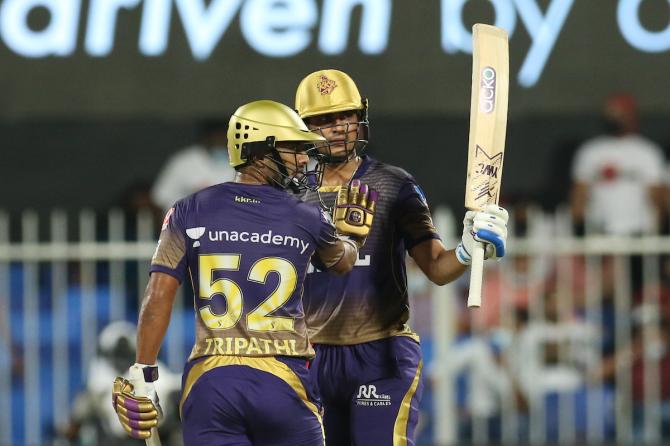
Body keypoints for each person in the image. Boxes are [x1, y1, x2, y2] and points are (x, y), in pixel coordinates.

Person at [111, 100, 378, 445]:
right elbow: (342, 263)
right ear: (258, 150)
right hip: (283, 382)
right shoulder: (306, 216)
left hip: (211, 382)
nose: (302, 160)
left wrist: (143, 374)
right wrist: (352, 235)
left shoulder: (188, 210)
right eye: (293, 149)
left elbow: (158, 294)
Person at [294, 69, 509, 445]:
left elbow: (438, 269)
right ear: (303, 128)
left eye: (345, 115)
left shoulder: (393, 184)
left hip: (382, 355)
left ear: (360, 116)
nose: (338, 127)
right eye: (324, 120)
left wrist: (468, 248)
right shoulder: (288, 195)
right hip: (309, 358)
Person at [570, 93, 665, 236]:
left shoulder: (647, 152)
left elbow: (657, 198)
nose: (613, 118)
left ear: (631, 115)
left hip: (638, 232)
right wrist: (578, 230)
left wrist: (657, 231)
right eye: (610, 113)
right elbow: (579, 196)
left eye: (619, 113)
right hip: (600, 230)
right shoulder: (591, 151)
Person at [151, 119, 236, 210]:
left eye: (224, 139)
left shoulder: (244, 162)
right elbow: (160, 198)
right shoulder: (183, 161)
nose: (220, 143)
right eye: (216, 139)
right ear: (205, 139)